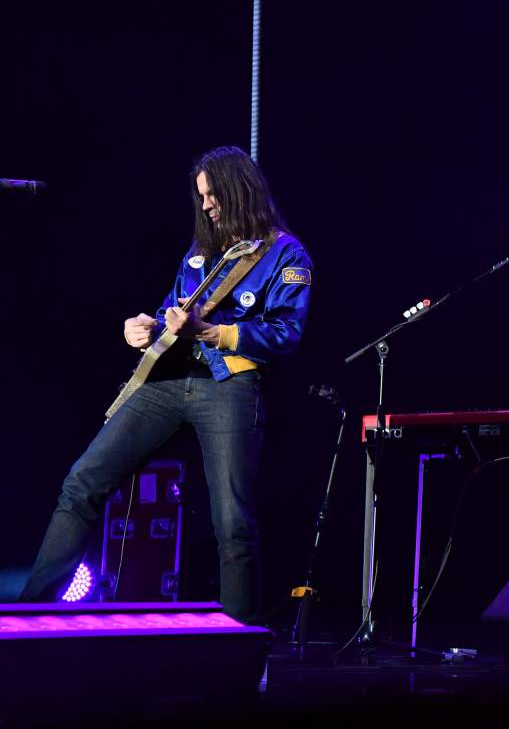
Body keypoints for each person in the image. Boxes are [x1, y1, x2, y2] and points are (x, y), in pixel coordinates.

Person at [20, 146, 312, 623]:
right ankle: (27, 618)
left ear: (240, 189)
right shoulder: (199, 253)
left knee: (233, 524)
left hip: (230, 386)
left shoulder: (286, 253)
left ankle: (240, 650)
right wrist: (143, 328)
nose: (208, 205)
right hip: (171, 379)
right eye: (201, 197)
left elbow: (286, 334)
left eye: (214, 194)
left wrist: (212, 331)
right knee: (82, 482)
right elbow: (170, 313)